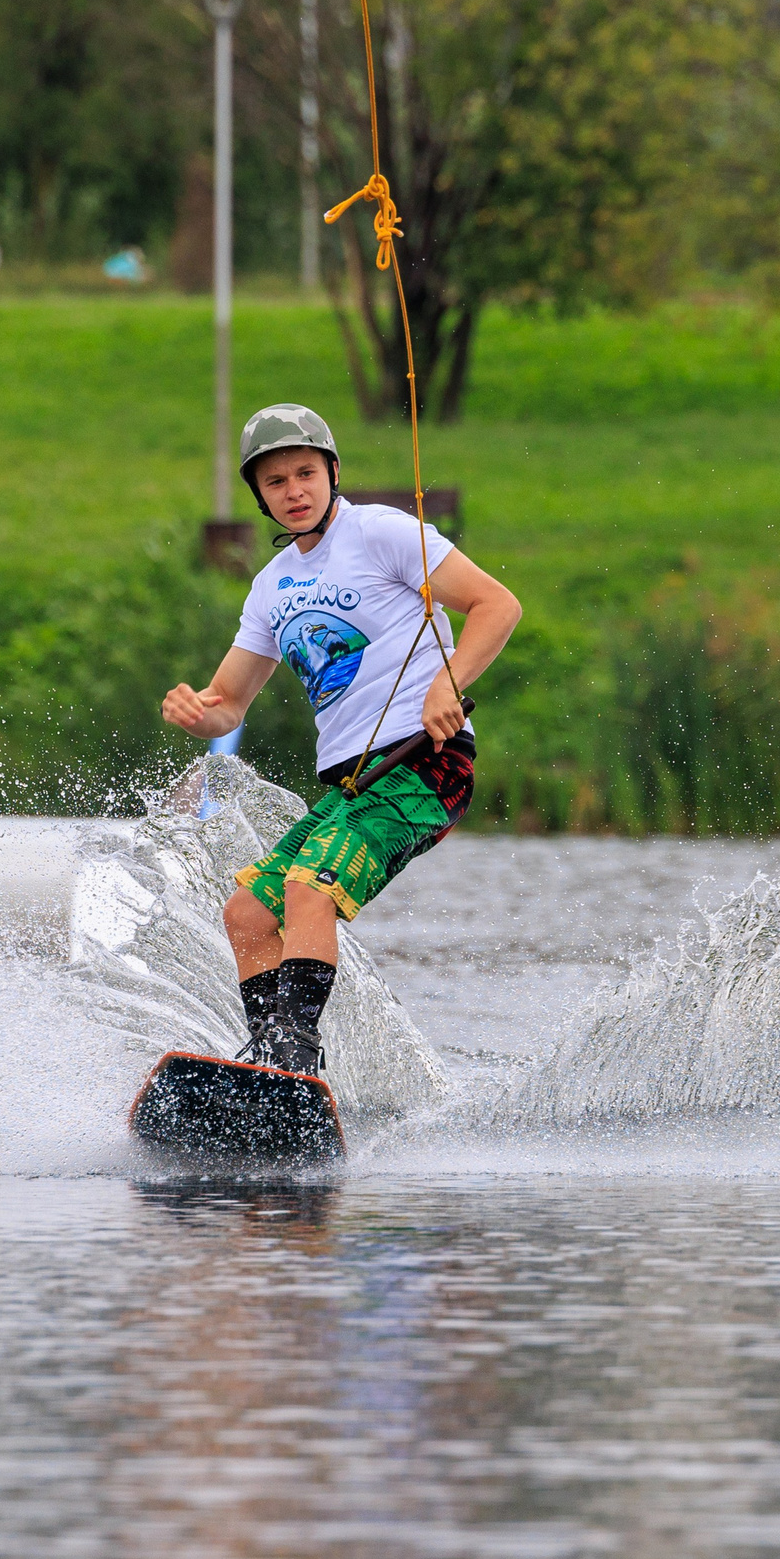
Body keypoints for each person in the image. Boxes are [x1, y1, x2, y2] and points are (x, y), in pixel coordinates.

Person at [161, 404, 522, 1077]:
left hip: (424, 765)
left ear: (331, 473)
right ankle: (272, 1063)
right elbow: (228, 702)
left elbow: (498, 605)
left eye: (305, 473)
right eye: (275, 482)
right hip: (353, 786)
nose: (293, 491)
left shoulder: (378, 532)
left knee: (310, 887)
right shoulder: (271, 587)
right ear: (260, 496)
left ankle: (295, 1056)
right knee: (245, 913)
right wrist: (195, 713)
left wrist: (446, 682)